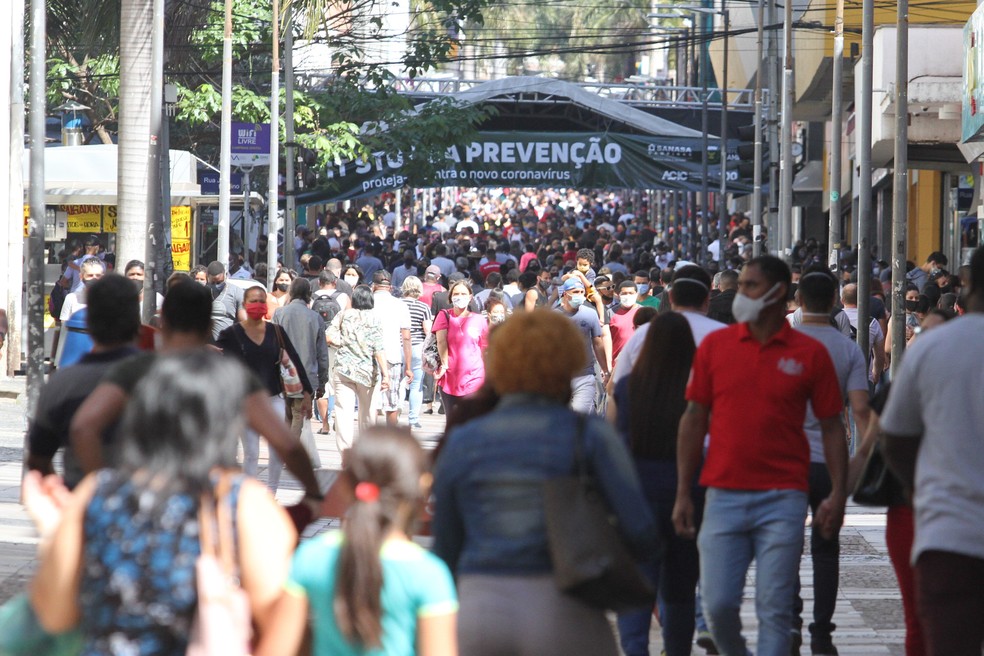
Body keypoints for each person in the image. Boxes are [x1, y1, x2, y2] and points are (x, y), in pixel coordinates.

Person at [28, 351, 297, 652]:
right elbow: (281, 619)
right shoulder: (242, 503)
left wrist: (52, 529)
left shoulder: (96, 493)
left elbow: (53, 616)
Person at [432, 309, 658, 656]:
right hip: (565, 607)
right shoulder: (588, 434)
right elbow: (641, 531)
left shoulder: (465, 438)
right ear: (567, 360)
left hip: (480, 607)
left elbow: (446, 543)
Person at [673, 255, 848, 656]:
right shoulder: (716, 347)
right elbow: (693, 418)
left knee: (775, 610)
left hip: (783, 496)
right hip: (722, 493)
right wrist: (684, 491)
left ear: (778, 292)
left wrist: (838, 493)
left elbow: (832, 426)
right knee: (717, 608)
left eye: (751, 285)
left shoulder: (809, 353)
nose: (740, 294)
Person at [69, 281, 324, 506]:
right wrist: (312, 497)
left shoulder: (136, 370)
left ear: (163, 320)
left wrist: (102, 491)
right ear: (210, 324)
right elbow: (286, 443)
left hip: (144, 499)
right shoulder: (232, 379)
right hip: (206, 506)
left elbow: (83, 428)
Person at [256, 427, 457, 656]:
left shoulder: (313, 556)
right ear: (423, 487)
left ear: (344, 485)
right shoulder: (429, 575)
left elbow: (276, 649)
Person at [881, 246, 984, 656]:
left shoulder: (934, 346)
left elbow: (896, 437)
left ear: (968, 286)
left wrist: (920, 490)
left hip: (950, 536)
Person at [610, 313, 701, 656]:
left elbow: (617, 446)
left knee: (635, 587)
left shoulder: (627, 388)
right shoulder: (698, 390)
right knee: (680, 589)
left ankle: (636, 651)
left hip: (637, 497)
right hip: (688, 495)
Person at [791, 270, 872, 655]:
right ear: (834, 302)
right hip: (829, 462)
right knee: (826, 549)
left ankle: (790, 621)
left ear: (800, 301)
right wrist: (857, 463)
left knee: (785, 545)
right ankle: (821, 633)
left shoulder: (782, 344)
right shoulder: (847, 349)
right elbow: (861, 412)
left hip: (785, 463)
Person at [28, 274, 141, 488]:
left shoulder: (62, 384)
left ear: (89, 321)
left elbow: (38, 459)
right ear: (136, 321)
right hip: (150, 509)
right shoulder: (161, 376)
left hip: (82, 505)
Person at [216, 285, 314, 489]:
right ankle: (249, 494)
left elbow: (293, 357)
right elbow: (218, 361)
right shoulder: (231, 334)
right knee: (251, 452)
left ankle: (272, 492)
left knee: (278, 449)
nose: (258, 305)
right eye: (253, 301)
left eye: (262, 300)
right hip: (245, 403)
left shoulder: (276, 332)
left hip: (274, 398)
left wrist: (307, 391)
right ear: (244, 304)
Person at [273, 277, 330, 474]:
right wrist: (323, 380)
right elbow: (322, 353)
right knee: (298, 415)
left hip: (282, 374)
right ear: (308, 294)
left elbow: (273, 346)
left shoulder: (280, 314)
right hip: (306, 375)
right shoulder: (315, 318)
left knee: (287, 414)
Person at [326, 285, 390, 454]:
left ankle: (345, 455)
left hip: (343, 371)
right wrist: (386, 374)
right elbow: (379, 348)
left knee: (343, 414)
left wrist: (344, 343)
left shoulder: (343, 315)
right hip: (367, 373)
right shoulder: (375, 318)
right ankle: (366, 453)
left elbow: (328, 336)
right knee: (368, 414)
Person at [432, 279, 488, 418]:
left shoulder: (479, 319)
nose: (460, 297)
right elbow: (441, 341)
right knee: (453, 419)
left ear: (470, 297)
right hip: (450, 377)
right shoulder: (444, 315)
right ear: (450, 297)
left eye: (464, 293)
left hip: (475, 377)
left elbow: (484, 347)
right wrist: (444, 365)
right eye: (456, 293)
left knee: (472, 418)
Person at [370, 270, 413, 426]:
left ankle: (370, 440)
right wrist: (408, 366)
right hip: (393, 357)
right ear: (390, 287)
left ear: (373, 285)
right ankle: (391, 436)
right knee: (391, 403)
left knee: (371, 402)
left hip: (369, 357)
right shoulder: (400, 305)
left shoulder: (366, 302)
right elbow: (406, 337)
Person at [401, 276, 433, 429]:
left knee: (398, 382)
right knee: (416, 385)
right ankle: (413, 419)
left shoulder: (397, 304)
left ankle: (396, 413)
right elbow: (428, 330)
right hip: (417, 347)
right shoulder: (424, 307)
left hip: (399, 345)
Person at [206, 260, 246, 341]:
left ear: (225, 275)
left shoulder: (236, 292)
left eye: (219, 282)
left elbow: (244, 320)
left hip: (229, 344)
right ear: (207, 278)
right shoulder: (202, 293)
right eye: (213, 282)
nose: (216, 285)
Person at [60, 257, 106, 322]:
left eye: (98, 275)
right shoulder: (71, 298)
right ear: (81, 277)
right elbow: (64, 327)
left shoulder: (109, 300)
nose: (94, 278)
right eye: (90, 275)